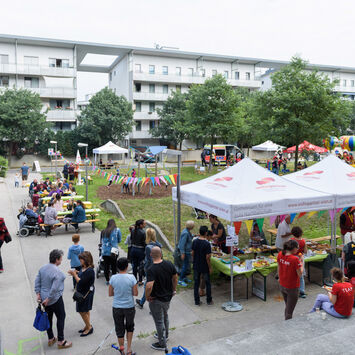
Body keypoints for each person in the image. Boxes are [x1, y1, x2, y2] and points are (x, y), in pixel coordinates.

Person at [34, 249, 72, 349]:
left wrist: (38, 293)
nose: (61, 261)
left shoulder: (42, 268)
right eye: (61, 259)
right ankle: (61, 341)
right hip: (54, 299)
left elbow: (37, 281)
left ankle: (51, 338)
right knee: (61, 317)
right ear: (56, 260)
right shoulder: (57, 272)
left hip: (43, 299)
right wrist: (49, 298)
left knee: (48, 318)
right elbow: (54, 288)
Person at [146, 247, 178, 351]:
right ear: (161, 254)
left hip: (156, 299)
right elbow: (175, 277)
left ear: (151, 255)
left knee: (159, 321)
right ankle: (166, 335)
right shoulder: (169, 264)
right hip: (168, 298)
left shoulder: (151, 269)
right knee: (165, 316)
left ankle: (162, 343)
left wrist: (147, 297)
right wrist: (174, 289)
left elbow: (149, 285)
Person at [109, 257, 138, 355]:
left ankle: (122, 350)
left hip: (117, 307)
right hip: (129, 306)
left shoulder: (113, 278)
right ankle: (129, 348)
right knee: (130, 327)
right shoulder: (132, 277)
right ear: (127, 266)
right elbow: (135, 293)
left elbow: (110, 293)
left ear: (117, 267)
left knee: (119, 328)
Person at [68, 251, 95, 336]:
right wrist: (76, 272)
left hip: (86, 293)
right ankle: (87, 326)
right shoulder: (83, 267)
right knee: (85, 310)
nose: (79, 261)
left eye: (81, 259)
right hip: (82, 292)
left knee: (82, 311)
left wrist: (74, 275)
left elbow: (81, 281)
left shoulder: (90, 270)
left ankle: (89, 327)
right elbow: (81, 273)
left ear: (86, 259)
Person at [136, 228, 162, 309]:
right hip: (158, 267)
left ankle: (143, 302)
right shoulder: (158, 245)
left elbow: (149, 260)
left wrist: (146, 268)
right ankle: (143, 302)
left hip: (150, 269)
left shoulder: (148, 247)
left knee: (148, 286)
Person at [277, 239, 303, 320]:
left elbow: (278, 267)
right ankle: (287, 325)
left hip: (282, 285)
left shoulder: (280, 254)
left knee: (288, 306)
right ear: (293, 248)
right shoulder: (294, 259)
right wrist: (301, 262)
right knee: (289, 311)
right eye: (297, 248)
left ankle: (287, 319)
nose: (298, 249)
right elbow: (300, 274)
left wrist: (279, 277)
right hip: (292, 287)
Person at [192, 226, 213, 306]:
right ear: (206, 233)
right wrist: (210, 267)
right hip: (204, 266)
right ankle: (209, 300)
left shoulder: (195, 241)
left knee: (196, 283)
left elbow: (192, 253)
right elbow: (207, 257)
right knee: (207, 283)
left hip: (196, 265)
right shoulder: (207, 244)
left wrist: (194, 261)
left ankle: (197, 301)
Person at [101, 219, 122, 285]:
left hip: (105, 250)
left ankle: (107, 280)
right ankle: (114, 279)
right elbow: (119, 240)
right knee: (114, 265)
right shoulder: (117, 230)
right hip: (114, 250)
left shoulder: (104, 231)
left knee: (106, 265)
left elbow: (102, 240)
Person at [290, 226, 307, 298]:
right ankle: (302, 290)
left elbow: (289, 250)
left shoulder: (291, 240)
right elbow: (305, 251)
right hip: (300, 259)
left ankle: (293, 291)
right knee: (301, 275)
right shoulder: (303, 241)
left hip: (293, 258)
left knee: (293, 275)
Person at [177, 220, 195, 287]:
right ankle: (180, 280)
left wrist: (193, 235)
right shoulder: (186, 233)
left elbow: (189, 237)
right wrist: (183, 253)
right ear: (191, 226)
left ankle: (184, 277)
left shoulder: (187, 231)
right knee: (184, 266)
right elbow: (182, 244)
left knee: (186, 265)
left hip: (187, 252)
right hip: (185, 252)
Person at [130, 219, 146, 285]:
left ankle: (134, 279)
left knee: (134, 265)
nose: (145, 225)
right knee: (140, 265)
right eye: (144, 224)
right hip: (140, 250)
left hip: (133, 249)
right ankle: (140, 280)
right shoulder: (143, 232)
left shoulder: (133, 230)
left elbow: (131, 239)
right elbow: (144, 243)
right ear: (141, 225)